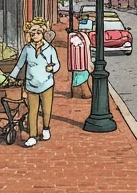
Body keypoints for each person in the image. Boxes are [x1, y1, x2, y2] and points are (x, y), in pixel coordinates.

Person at [9, 17, 60, 148]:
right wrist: (12, 76)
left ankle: (46, 128)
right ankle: (32, 136)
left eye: (37, 33)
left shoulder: (50, 49)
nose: (35, 36)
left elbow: (57, 65)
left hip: (47, 84)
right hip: (31, 85)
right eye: (32, 34)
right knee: (32, 111)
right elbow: (19, 65)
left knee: (46, 110)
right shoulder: (27, 49)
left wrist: (52, 68)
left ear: (43, 33)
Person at [67, 22, 92, 99]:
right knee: (81, 78)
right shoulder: (80, 37)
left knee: (80, 78)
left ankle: (84, 93)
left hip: (78, 64)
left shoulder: (75, 37)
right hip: (81, 64)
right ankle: (85, 93)